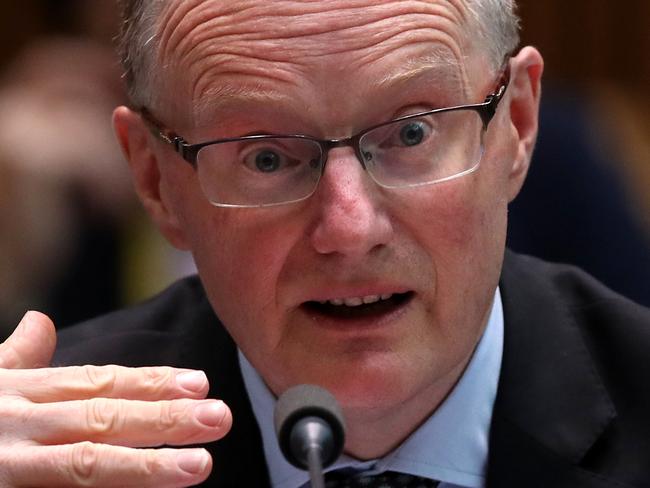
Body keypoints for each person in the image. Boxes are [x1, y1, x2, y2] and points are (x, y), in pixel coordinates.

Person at [0, 0, 648, 487]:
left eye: (412, 133)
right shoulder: (47, 450)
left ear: (517, 127)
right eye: (265, 158)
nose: (348, 229)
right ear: (155, 179)